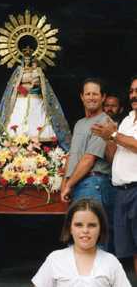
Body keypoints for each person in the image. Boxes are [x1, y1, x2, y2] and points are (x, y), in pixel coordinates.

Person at [60, 78, 116, 252]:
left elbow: (88, 159)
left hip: (94, 184)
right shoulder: (79, 123)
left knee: (92, 240)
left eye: (95, 94)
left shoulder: (104, 122)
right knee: (80, 239)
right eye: (88, 94)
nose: (91, 97)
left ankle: (97, 279)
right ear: (82, 97)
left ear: (103, 97)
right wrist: (65, 182)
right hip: (79, 185)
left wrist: (69, 184)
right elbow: (73, 156)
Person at [91, 75, 137, 274]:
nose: (134, 95)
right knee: (132, 249)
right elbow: (115, 155)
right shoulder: (127, 120)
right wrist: (106, 138)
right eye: (132, 91)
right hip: (121, 191)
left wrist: (113, 135)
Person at [32, 198, 131, 287]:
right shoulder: (55, 259)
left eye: (92, 225)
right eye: (79, 225)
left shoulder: (110, 262)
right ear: (70, 228)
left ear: (101, 228)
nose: (85, 230)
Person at [0, 49, 71, 151]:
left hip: (36, 103)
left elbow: (43, 87)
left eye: (29, 59)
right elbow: (13, 87)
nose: (27, 61)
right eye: (25, 59)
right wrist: (24, 89)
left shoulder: (38, 71)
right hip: (20, 102)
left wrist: (34, 84)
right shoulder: (19, 71)